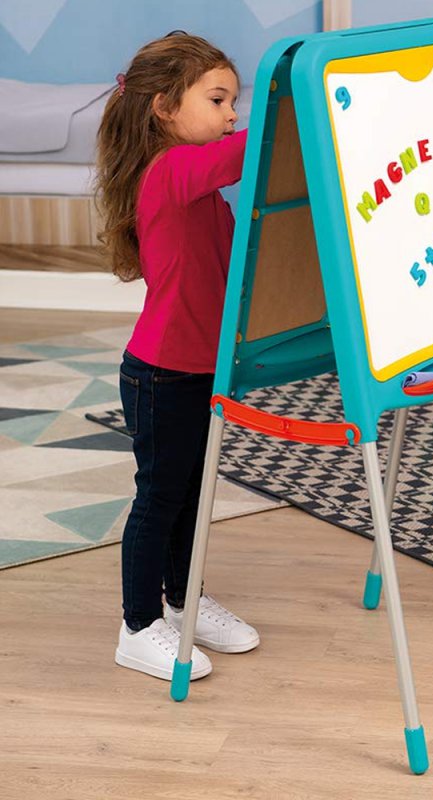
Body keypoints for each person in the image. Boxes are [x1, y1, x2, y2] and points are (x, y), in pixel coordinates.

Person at [95, 31, 259, 682]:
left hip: (198, 368)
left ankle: (184, 601)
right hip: (161, 373)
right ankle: (137, 627)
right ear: (163, 107)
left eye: (235, 103)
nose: (231, 115)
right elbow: (240, 155)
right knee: (160, 499)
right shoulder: (167, 172)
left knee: (192, 495)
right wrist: (300, 111)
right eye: (218, 100)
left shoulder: (195, 186)